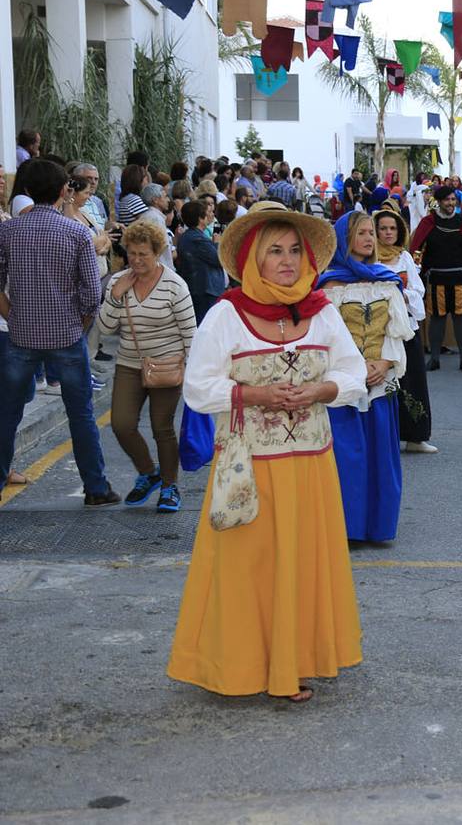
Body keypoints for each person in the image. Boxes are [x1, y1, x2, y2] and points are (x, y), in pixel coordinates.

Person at [167, 201, 366, 702]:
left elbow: (353, 373)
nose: (287, 260)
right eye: (275, 251)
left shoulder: (322, 313)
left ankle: (293, 664)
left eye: (295, 250)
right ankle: (240, 667)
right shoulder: (226, 315)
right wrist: (255, 394)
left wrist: (322, 390)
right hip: (248, 469)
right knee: (246, 570)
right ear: (253, 258)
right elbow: (197, 387)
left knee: (301, 566)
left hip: (310, 467)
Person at [0, 159, 118, 504]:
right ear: (64, 190)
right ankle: (96, 487)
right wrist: (78, 327)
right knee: (81, 414)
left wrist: (14, 317)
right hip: (66, 336)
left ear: (27, 190)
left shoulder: (8, 231)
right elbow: (91, 295)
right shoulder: (77, 233)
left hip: (21, 336)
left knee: (7, 413)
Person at [317, 212, 415, 542]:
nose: (369, 238)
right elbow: (325, 340)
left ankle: (376, 526)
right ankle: (346, 527)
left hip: (377, 385)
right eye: (361, 233)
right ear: (344, 239)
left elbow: (397, 333)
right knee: (347, 458)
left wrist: (385, 363)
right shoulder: (329, 285)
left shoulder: (386, 282)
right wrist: (354, 369)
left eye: (371, 232)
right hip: (343, 385)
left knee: (379, 458)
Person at [96, 220, 196, 513]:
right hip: (129, 363)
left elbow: (190, 333)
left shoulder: (174, 286)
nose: (137, 260)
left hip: (167, 364)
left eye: (144, 254)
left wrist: (195, 373)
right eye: (132, 253)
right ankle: (148, 472)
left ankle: (169, 486)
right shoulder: (118, 281)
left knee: (161, 427)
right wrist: (116, 296)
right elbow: (104, 328)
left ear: (157, 253)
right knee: (121, 424)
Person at [374, 205, 436, 454]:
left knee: (412, 380)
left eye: (392, 228)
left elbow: (418, 290)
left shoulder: (405, 258)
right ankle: (383, 437)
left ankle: (415, 437)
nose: (388, 233)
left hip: (405, 326)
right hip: (378, 329)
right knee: (382, 382)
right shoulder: (369, 258)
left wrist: (402, 294)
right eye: (383, 228)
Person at [411, 186, 462, 372]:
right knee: (437, 318)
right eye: (447, 200)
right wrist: (416, 267)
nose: (451, 203)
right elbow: (418, 248)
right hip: (437, 279)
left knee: (460, 318)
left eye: (453, 199)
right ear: (439, 201)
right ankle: (434, 359)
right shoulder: (428, 222)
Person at [176, 200, 226, 323]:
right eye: (206, 213)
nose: (210, 215)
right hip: (204, 291)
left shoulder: (192, 236)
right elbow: (219, 259)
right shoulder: (196, 238)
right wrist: (217, 243)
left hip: (202, 290)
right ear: (200, 218)